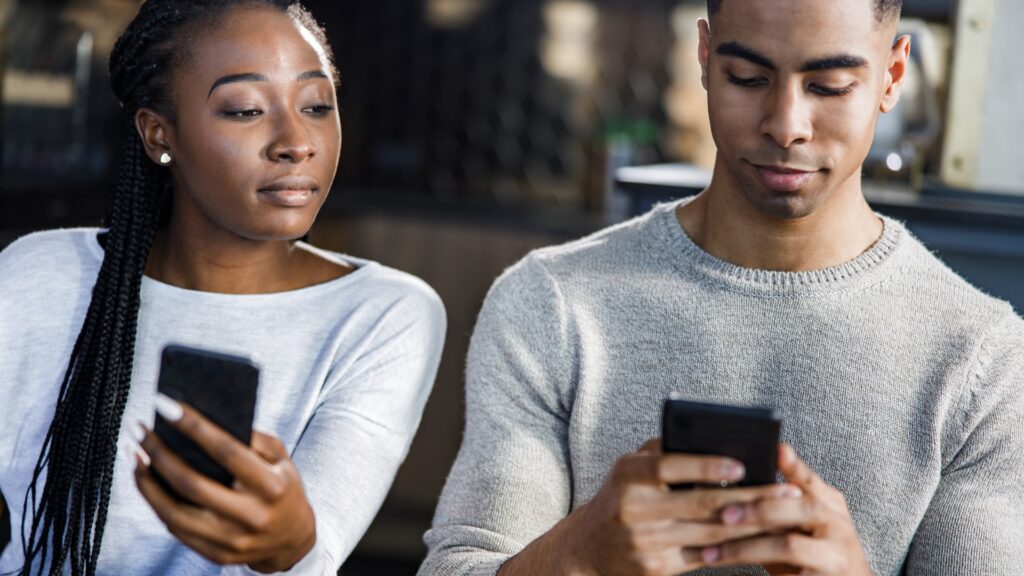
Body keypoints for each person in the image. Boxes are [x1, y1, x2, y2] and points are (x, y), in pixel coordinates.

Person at [419, 0, 1024, 574]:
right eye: (747, 78)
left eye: (829, 86)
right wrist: (580, 556)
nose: (786, 126)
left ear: (892, 75)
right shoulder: (550, 304)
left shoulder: (984, 361)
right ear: (705, 57)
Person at [0, 1, 446, 574]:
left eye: (316, 106)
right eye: (245, 110)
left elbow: (316, 551)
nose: (296, 142)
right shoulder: (42, 274)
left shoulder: (385, 314)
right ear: (159, 133)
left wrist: (287, 544)